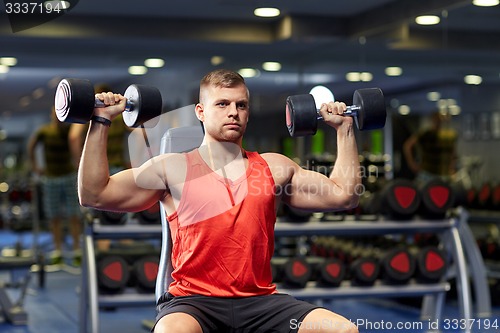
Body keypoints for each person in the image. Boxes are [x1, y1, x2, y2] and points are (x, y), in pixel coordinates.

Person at [77, 69, 361, 333]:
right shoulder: (172, 168)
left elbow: (344, 195)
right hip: (194, 303)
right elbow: (94, 193)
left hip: (260, 303)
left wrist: (344, 128)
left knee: (344, 330)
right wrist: (100, 121)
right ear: (201, 111)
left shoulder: (274, 169)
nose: (233, 113)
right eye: (222, 104)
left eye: (241, 105)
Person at [69, 83, 131, 251]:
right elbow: (139, 133)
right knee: (120, 217)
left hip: (98, 170)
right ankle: (125, 256)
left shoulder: (91, 111)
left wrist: (79, 164)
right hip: (119, 168)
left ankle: (104, 260)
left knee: (102, 219)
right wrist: (134, 163)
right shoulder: (120, 113)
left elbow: (74, 137)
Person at [27, 108, 82, 266]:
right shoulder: (43, 132)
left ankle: (77, 250)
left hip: (68, 176)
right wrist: (35, 165)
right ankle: (58, 251)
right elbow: (31, 147)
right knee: (54, 217)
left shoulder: (69, 132)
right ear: (52, 114)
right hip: (50, 178)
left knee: (74, 215)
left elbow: (77, 143)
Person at [403, 111, 458, 183]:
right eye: (436, 119)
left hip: (443, 174)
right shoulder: (426, 134)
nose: (438, 121)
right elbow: (407, 146)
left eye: (440, 119)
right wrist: (412, 164)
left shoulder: (447, 135)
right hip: (427, 174)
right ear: (433, 120)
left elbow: (452, 153)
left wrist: (452, 167)